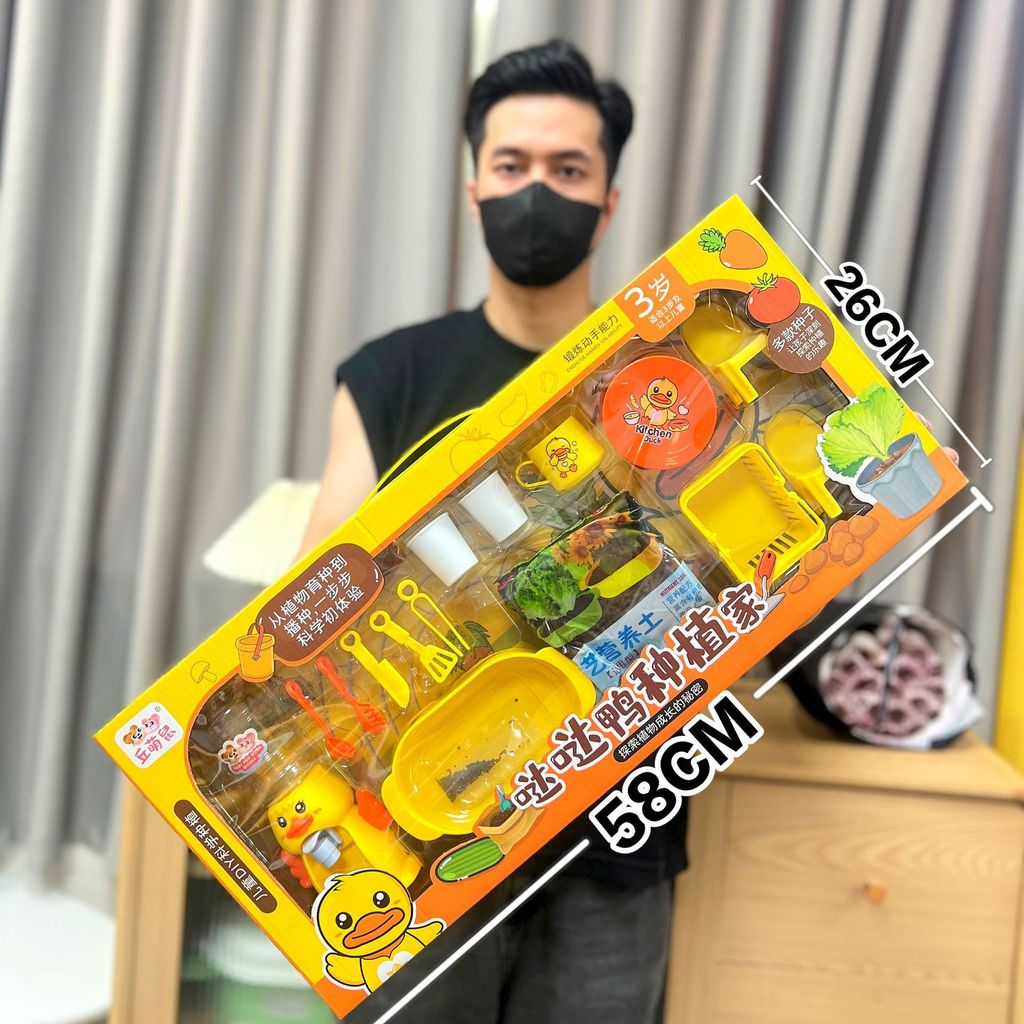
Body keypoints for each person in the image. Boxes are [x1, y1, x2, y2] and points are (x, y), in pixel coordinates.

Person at [300, 40, 678, 1024]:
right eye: (512, 165)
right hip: (424, 833)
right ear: (474, 189)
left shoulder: (659, 376)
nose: (536, 193)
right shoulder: (390, 376)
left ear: (608, 201)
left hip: (615, 834)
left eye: (568, 169)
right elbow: (315, 590)